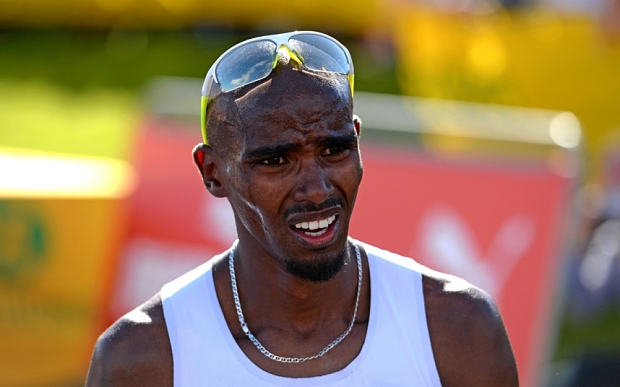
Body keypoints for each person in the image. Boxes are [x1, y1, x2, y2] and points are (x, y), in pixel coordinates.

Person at [85, 31, 518, 386]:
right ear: (212, 172)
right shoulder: (144, 358)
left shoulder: (457, 328)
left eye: (334, 150)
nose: (315, 189)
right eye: (275, 161)